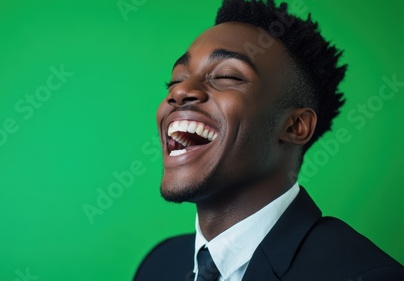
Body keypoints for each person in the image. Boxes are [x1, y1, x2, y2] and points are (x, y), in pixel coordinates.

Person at [133, 0, 404, 280]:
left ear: (295, 126)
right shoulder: (158, 265)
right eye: (176, 80)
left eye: (226, 76)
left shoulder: (364, 275)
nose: (180, 92)